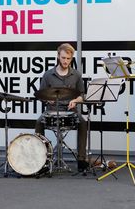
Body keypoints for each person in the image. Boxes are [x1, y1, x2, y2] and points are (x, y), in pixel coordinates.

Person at [34, 43, 88, 172]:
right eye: (63, 58)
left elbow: (82, 94)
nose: (66, 61)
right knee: (38, 123)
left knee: (83, 123)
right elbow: (40, 94)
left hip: (70, 110)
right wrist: (48, 99)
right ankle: (41, 159)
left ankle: (81, 159)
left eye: (68, 58)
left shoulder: (76, 75)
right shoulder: (48, 75)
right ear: (58, 56)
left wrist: (76, 100)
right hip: (52, 109)